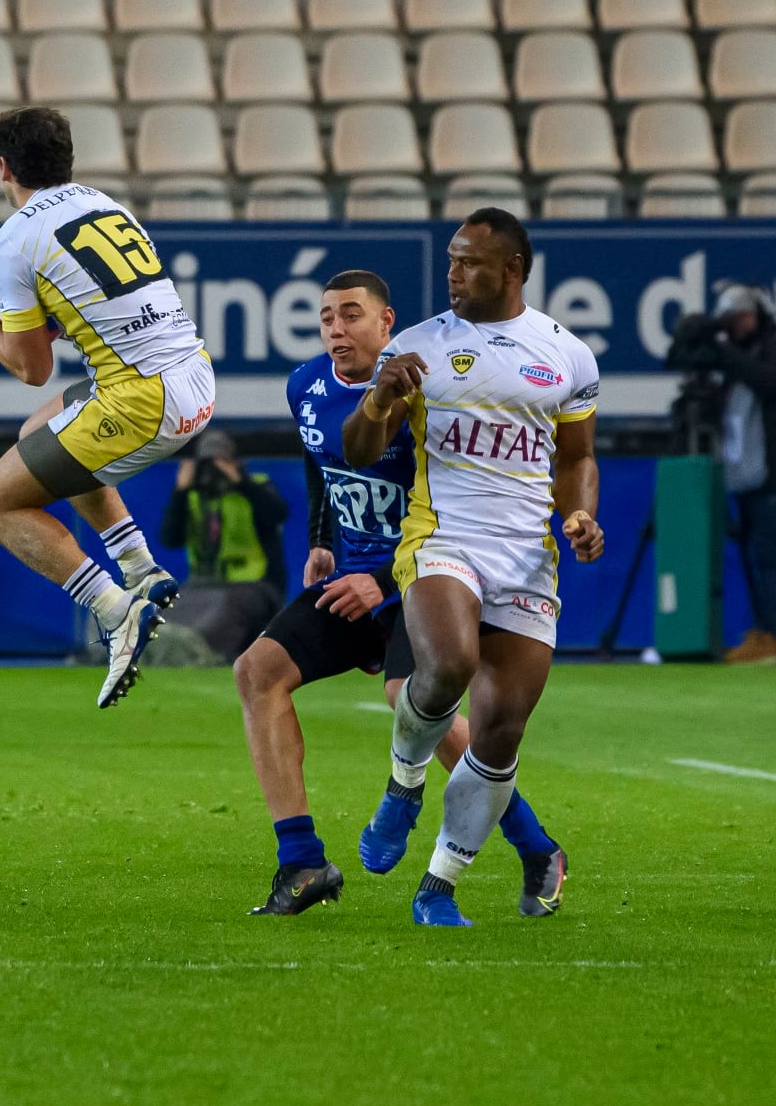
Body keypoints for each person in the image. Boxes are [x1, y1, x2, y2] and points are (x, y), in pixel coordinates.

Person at [233, 270, 568, 917]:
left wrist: (382, 579)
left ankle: (535, 846)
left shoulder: (436, 391)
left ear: (388, 324)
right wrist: (320, 540)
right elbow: (318, 461)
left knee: (414, 703)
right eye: (327, 316)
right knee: (257, 672)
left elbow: (467, 499)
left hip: (426, 578)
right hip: (348, 580)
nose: (337, 328)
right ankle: (302, 862)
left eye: (352, 315)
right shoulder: (305, 386)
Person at [341, 210, 603, 928]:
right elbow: (360, 449)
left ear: (512, 270)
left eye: (469, 263)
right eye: (452, 261)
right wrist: (379, 395)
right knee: (448, 665)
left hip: (527, 556)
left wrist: (579, 517)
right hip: (443, 536)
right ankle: (403, 787)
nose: (452, 274)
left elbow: (576, 459)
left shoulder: (568, 355)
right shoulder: (418, 345)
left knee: (500, 733)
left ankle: (439, 886)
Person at [0, 106, 216, 709]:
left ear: (3, 166)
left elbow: (32, 370)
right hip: (195, 377)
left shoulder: (11, 242)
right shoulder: (106, 203)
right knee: (42, 431)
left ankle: (114, 609)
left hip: (142, 400)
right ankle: (141, 568)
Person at [710, 284, 776, 666]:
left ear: (754, 316)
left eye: (739, 320)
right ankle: (767, 631)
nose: (736, 329)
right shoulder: (750, 350)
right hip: (754, 470)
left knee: (771, 553)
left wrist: (726, 355)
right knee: (760, 554)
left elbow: (773, 382)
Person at [157, 429, 289, 660]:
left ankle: (203, 650)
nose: (213, 470)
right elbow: (170, 538)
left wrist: (241, 482)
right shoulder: (191, 496)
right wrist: (180, 492)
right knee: (167, 612)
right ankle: (168, 649)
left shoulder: (257, 486)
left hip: (253, 585)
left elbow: (277, 513)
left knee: (227, 610)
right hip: (201, 587)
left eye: (220, 462)